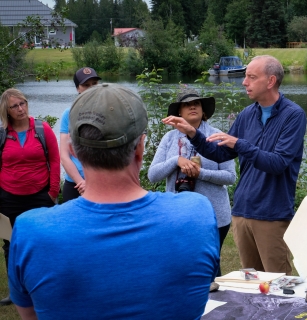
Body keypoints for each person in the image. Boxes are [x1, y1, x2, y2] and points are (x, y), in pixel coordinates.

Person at [7, 83, 219, 319]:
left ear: (73, 151)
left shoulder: (31, 231)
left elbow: (30, 314)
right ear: (140, 147)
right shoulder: (197, 214)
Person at [163, 55, 307, 274]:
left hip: (271, 214)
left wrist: (240, 144)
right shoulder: (247, 114)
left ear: (270, 81)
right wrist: (193, 133)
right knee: (251, 285)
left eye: (251, 77)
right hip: (241, 212)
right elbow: (220, 154)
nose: (244, 82)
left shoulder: (293, 116)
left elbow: (278, 163)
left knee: (278, 287)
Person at [148, 87, 236, 277]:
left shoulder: (217, 136)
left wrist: (200, 173)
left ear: (204, 110)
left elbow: (230, 177)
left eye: (196, 103)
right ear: (179, 112)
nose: (192, 107)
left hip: (213, 215)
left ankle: (217, 305)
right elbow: (152, 175)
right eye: (186, 105)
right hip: (177, 215)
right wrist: (175, 161)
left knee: (211, 268)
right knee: (182, 266)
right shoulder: (170, 138)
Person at [0, 88, 60, 306]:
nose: (21, 109)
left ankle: (45, 287)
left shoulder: (42, 129)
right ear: (6, 111)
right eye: (14, 106)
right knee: (10, 243)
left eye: (22, 103)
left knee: (43, 242)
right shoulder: (2, 134)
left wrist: (53, 191)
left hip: (40, 196)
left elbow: (55, 160)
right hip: (9, 197)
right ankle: (15, 292)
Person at [59, 67, 101, 202]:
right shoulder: (69, 114)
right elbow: (64, 155)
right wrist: (81, 183)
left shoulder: (109, 112)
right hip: (75, 185)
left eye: (94, 84)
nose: (91, 88)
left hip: (102, 182)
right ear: (78, 88)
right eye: (86, 85)